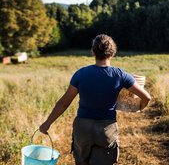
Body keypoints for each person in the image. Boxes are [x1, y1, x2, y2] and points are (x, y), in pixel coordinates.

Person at [39, 34, 151, 165]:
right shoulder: (120, 75)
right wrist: (139, 107)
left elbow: (63, 103)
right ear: (113, 54)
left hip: (82, 129)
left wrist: (47, 123)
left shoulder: (80, 74)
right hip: (106, 129)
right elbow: (146, 97)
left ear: (93, 52)